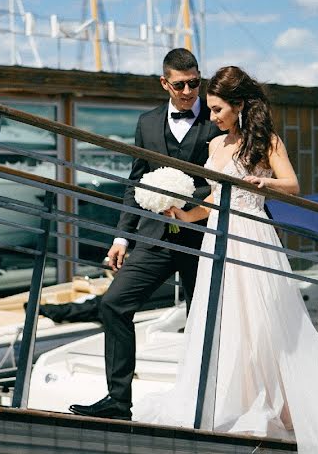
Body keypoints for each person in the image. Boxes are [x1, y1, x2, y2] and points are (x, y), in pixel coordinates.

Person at [132, 66, 318, 453]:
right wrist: (183, 214)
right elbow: (212, 200)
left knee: (263, 324)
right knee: (221, 320)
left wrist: (264, 182)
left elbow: (293, 185)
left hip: (251, 236)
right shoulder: (215, 146)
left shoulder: (265, 142)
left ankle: (278, 405)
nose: (213, 116)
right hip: (217, 240)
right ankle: (227, 403)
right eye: (211, 109)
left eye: (218, 109)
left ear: (238, 106)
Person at [68, 48, 225, 421]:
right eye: (180, 85)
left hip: (202, 238)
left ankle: (213, 403)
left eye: (194, 83)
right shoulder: (148, 122)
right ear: (164, 83)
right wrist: (122, 237)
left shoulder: (218, 122)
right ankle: (118, 401)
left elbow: (226, 181)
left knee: (205, 320)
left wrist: (187, 202)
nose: (189, 92)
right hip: (155, 238)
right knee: (113, 304)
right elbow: (135, 181)